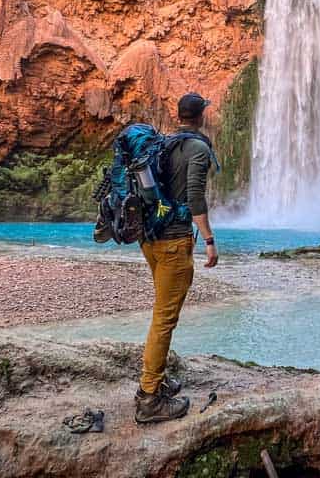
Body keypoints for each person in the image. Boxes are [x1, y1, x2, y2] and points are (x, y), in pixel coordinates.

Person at [134, 91, 219, 424]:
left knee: (162, 312)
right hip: (173, 242)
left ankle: (157, 380)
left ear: (179, 116)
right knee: (164, 318)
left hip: (150, 239)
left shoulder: (162, 145)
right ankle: (149, 398)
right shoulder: (197, 148)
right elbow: (196, 196)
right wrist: (209, 240)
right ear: (200, 117)